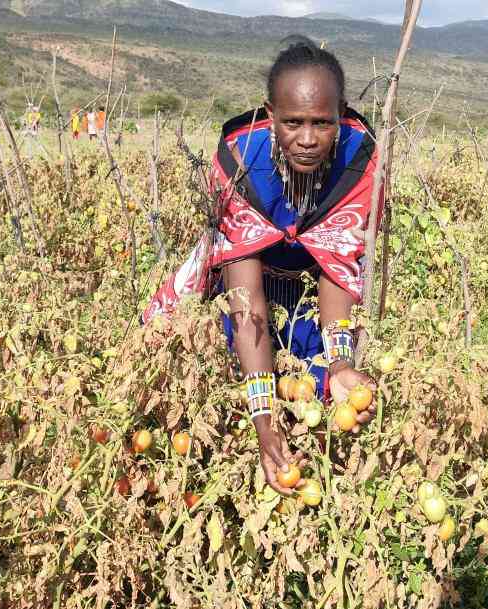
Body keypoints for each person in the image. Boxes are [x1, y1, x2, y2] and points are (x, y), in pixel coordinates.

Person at [143, 38, 380, 496]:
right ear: (270, 114)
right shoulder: (240, 163)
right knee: (201, 366)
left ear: (341, 115)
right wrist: (263, 415)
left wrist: (340, 361)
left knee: (316, 384)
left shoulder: (361, 161)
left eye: (322, 123)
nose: (307, 139)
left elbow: (337, 263)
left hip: (310, 283)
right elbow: (245, 299)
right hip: (238, 282)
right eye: (292, 122)